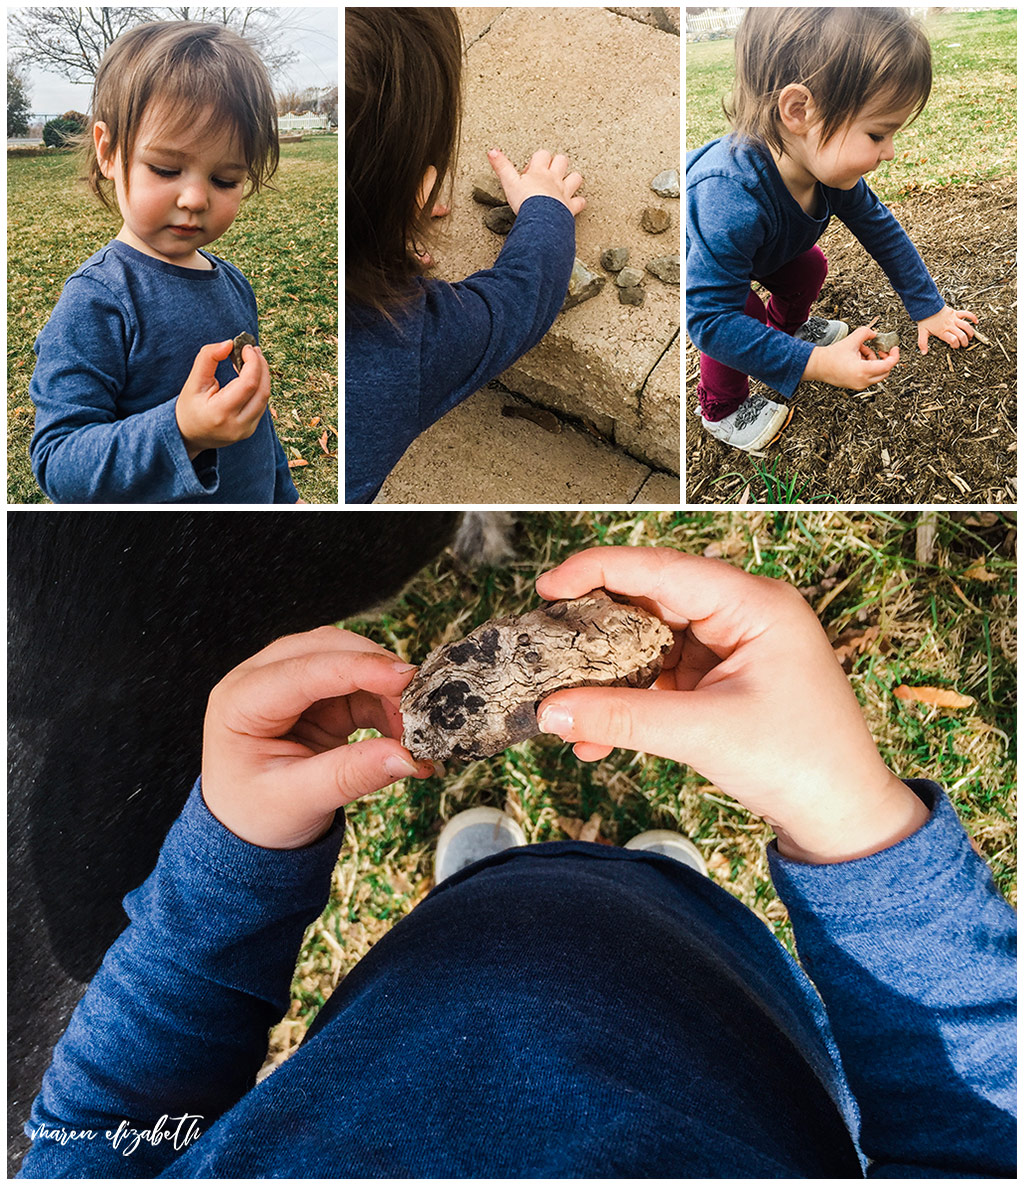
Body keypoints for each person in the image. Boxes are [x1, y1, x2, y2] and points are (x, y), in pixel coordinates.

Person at [20, 547, 1015, 1177]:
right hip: (726, 1005)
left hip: (443, 967)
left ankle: (495, 887)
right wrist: (850, 822)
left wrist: (233, 852)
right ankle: (665, 884)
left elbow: (97, 1138)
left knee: (511, 906)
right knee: (660, 909)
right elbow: (985, 1138)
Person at [28, 22, 301, 504]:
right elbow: (59, 460)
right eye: (166, 169)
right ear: (109, 151)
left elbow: (256, 424)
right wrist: (183, 432)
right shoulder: (98, 301)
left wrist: (284, 496)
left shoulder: (232, 282)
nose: (195, 198)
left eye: (225, 178)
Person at [686, 7, 979, 453]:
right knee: (739, 317)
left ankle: (788, 329)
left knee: (809, 267)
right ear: (799, 111)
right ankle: (720, 409)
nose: (891, 152)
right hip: (710, 265)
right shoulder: (729, 198)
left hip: (769, 249)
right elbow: (709, 320)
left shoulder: (826, 171)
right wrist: (817, 364)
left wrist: (929, 308)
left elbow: (882, 231)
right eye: (878, 135)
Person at [345, 8, 586, 503]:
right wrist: (546, 208)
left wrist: (379, 237)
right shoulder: (408, 342)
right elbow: (521, 298)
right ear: (422, 190)